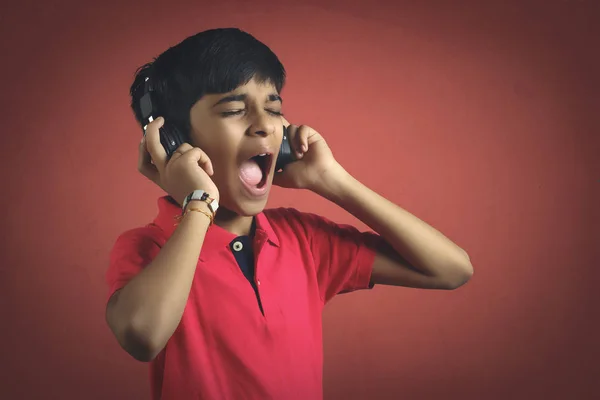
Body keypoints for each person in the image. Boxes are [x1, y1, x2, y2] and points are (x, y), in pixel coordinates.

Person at [105, 27, 473, 400]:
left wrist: (332, 180)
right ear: (174, 141)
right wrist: (199, 201)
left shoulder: (303, 240)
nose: (265, 125)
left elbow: (451, 269)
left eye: (274, 109)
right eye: (234, 110)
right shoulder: (147, 246)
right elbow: (142, 335)